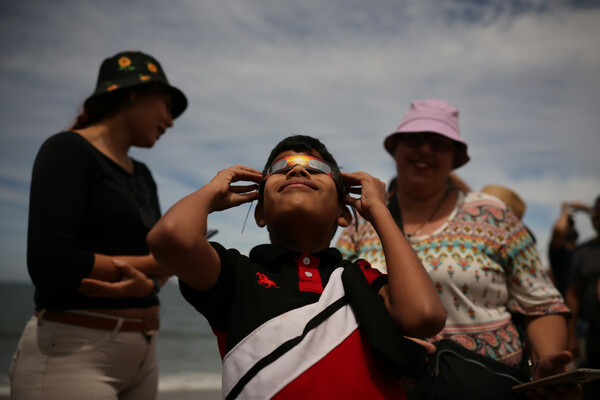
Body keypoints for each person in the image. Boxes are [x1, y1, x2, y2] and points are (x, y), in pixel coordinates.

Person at [147, 135, 446, 399]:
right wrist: (211, 192)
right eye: (279, 169)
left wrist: (378, 210)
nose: (297, 169)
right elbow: (171, 237)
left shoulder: (359, 278)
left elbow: (425, 315)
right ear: (260, 212)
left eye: (317, 169)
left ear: (344, 213)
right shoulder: (236, 275)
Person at [336, 99, 577, 399]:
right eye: (414, 139)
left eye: (439, 143)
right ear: (395, 149)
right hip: (386, 389)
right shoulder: (361, 221)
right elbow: (339, 301)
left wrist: (547, 367)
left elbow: (541, 303)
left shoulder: (492, 214)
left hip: (486, 389)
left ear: (454, 157)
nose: (425, 149)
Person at [10, 50, 187, 399]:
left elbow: (153, 264)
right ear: (133, 92)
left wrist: (148, 281)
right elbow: (51, 263)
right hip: (73, 352)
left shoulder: (143, 174)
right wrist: (155, 266)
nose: (170, 120)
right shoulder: (67, 150)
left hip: (143, 354)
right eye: (165, 104)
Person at [565, 195, 600, 400]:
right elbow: (573, 294)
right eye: (595, 210)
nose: (596, 214)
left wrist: (587, 209)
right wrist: (571, 335)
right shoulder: (584, 252)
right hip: (593, 342)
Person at [550, 201, 590, 296]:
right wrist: (565, 213)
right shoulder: (559, 252)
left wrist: (585, 208)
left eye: (572, 224)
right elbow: (559, 230)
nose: (572, 227)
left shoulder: (584, 250)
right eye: (569, 224)